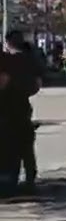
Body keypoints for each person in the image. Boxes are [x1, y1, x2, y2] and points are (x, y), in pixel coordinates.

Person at [2, 30, 42, 193]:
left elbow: (3, 82)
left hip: (8, 108)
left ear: (8, 42)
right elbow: (37, 84)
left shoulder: (9, 61)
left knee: (12, 145)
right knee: (25, 145)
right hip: (23, 107)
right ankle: (29, 179)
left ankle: (12, 179)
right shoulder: (30, 60)